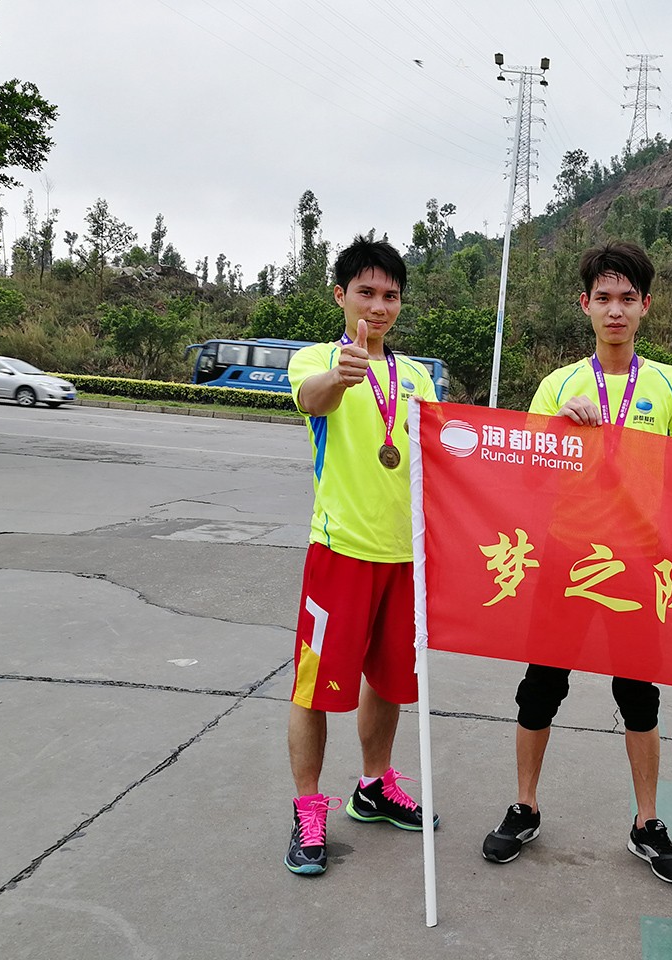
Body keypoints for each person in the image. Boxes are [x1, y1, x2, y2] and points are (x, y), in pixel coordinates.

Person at [481, 241, 672, 884]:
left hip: (635, 561)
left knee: (638, 694)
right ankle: (524, 806)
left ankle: (647, 822)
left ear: (646, 306)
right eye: (604, 298)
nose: (615, 310)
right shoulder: (558, 386)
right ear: (585, 305)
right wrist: (556, 430)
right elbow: (526, 474)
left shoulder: (671, 385)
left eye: (628, 298)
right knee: (540, 687)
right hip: (567, 558)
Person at [282, 236, 438, 876]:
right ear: (340, 295)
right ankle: (308, 808)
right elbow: (311, 399)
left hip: (406, 558)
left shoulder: (417, 376)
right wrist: (339, 377)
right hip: (340, 552)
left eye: (390, 295)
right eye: (366, 292)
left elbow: (448, 450)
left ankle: (374, 786)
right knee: (315, 688)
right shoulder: (315, 360)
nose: (378, 306)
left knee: (391, 683)